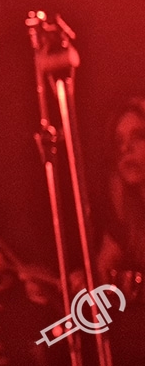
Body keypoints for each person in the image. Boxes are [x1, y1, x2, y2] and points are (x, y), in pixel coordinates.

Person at [96, 97, 145, 365]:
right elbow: (102, 271)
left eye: (137, 137)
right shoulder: (123, 211)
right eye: (119, 142)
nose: (125, 149)